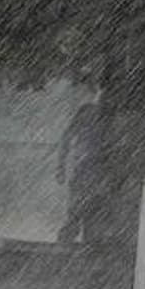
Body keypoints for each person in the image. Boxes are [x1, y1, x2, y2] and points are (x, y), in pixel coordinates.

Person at [56, 102, 105, 243]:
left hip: (91, 169)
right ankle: (74, 236)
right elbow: (66, 139)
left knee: (84, 208)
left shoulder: (98, 120)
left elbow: (66, 139)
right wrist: (61, 167)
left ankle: (78, 236)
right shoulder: (96, 118)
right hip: (87, 169)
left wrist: (61, 167)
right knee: (81, 208)